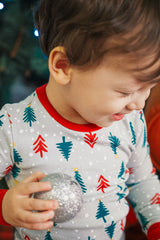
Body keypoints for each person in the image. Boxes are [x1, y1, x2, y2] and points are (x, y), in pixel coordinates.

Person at [0, 0, 160, 239]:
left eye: (149, 88)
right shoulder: (13, 125)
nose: (139, 104)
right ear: (63, 66)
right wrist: (5, 206)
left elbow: (143, 182)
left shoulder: (129, 120)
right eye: (125, 92)